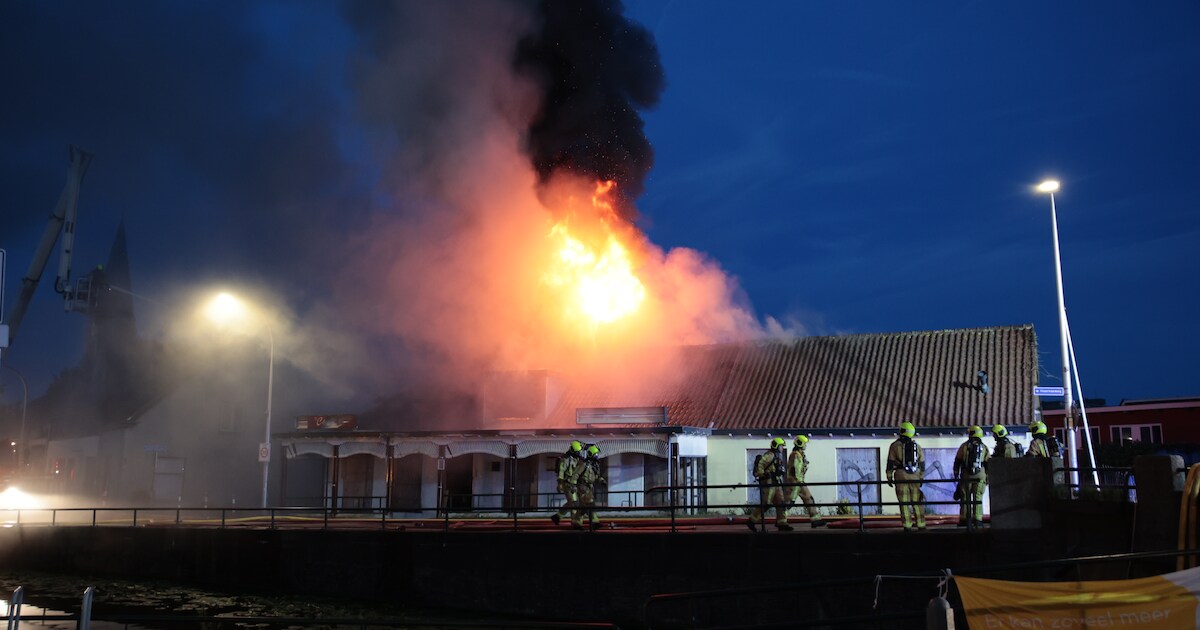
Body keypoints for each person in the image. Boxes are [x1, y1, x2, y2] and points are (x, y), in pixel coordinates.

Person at [886, 421, 926, 531]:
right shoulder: (917, 447)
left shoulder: (894, 446)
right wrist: (921, 477)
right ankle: (921, 524)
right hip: (915, 477)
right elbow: (922, 464)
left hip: (900, 477)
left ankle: (907, 525)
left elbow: (890, 463)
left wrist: (889, 477)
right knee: (917, 502)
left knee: (904, 503)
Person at [748, 437, 792, 531]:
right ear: (776, 446)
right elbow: (760, 465)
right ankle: (751, 521)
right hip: (769, 484)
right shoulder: (769, 455)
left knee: (781, 504)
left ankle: (782, 523)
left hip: (776, 483)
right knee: (766, 504)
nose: (782, 448)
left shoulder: (776, 456)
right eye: (781, 446)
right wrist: (763, 474)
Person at [953, 425, 990, 527]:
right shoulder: (984, 447)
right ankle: (978, 519)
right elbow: (988, 463)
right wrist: (987, 477)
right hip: (980, 475)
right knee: (978, 497)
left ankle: (964, 519)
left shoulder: (964, 446)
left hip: (966, 475)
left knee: (965, 497)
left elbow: (958, 461)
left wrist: (956, 473)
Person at [786, 435, 825, 528]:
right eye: (804, 443)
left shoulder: (800, 454)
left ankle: (815, 520)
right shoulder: (795, 454)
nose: (805, 445)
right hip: (795, 482)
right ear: (800, 443)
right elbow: (795, 469)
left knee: (809, 499)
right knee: (789, 503)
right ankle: (781, 520)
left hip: (800, 481)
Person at [572, 444, 607, 530]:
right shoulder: (584, 464)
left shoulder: (595, 465)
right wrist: (573, 485)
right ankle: (595, 522)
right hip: (583, 486)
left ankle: (577, 523)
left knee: (583, 506)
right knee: (590, 504)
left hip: (590, 487)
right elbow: (576, 474)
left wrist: (602, 481)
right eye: (595, 454)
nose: (597, 455)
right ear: (591, 454)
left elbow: (597, 476)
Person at [551, 440, 584, 525]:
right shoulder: (565, 459)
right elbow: (561, 472)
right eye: (577, 452)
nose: (579, 453)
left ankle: (557, 516)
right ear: (573, 450)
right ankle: (575, 522)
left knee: (572, 502)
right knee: (573, 503)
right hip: (567, 483)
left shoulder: (576, 459)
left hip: (574, 484)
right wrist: (559, 484)